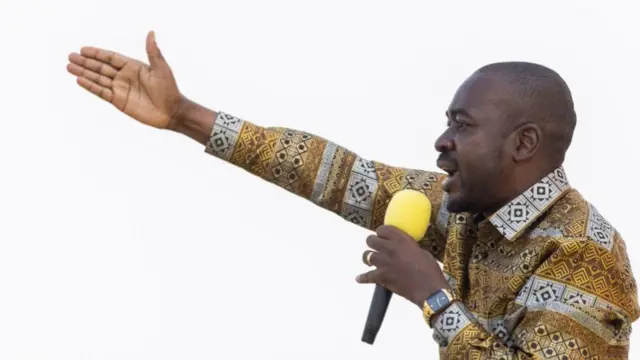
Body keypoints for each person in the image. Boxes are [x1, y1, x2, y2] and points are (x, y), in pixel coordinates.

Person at [66, 31, 639, 359]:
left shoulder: (583, 256)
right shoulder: (469, 212)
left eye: (462, 125)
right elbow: (337, 173)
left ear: (524, 143)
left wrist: (433, 295)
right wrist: (184, 115)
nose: (441, 142)